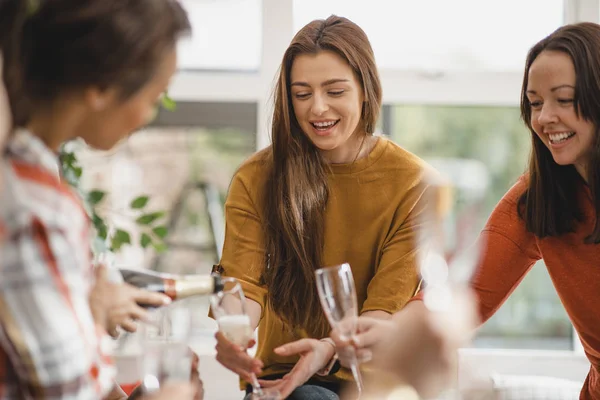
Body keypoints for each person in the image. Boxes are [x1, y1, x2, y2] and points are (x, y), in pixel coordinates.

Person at [335, 21, 600, 400]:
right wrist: (390, 333)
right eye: (536, 103)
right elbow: (463, 292)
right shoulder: (537, 200)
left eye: (564, 99)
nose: (544, 118)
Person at [215, 14, 430, 400]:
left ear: (365, 89)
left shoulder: (413, 182)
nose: (317, 109)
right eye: (302, 94)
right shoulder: (256, 178)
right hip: (282, 381)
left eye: (335, 91)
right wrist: (234, 332)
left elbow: (383, 310)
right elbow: (242, 286)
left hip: (370, 378)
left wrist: (329, 350)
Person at [0, 0, 200, 398]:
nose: (149, 115)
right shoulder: (35, 209)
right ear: (102, 88)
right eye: (153, 96)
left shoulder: (30, 184)